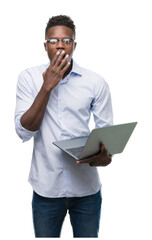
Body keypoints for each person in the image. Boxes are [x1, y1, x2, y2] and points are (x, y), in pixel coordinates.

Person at [15, 15, 113, 238]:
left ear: (74, 45)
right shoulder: (28, 78)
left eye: (66, 40)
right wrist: (47, 86)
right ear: (45, 45)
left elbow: (106, 137)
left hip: (86, 190)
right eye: (53, 41)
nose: (60, 45)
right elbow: (24, 130)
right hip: (46, 189)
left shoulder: (95, 82)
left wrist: (105, 157)